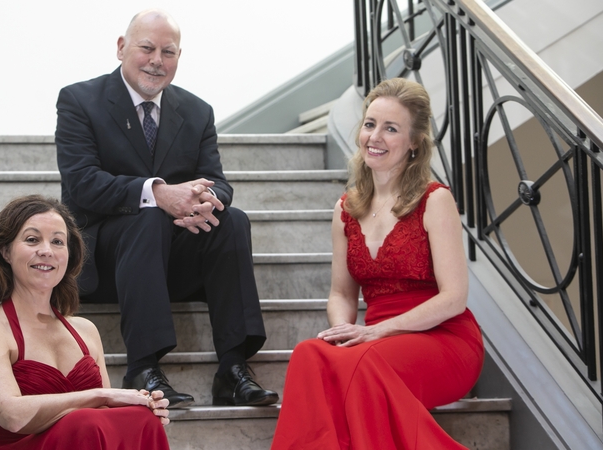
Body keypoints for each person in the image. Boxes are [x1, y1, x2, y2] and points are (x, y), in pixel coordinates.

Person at [54, 9, 278, 409]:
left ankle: (233, 367)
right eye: (147, 48)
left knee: (232, 220)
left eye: (168, 52)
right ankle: (143, 367)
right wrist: (158, 193)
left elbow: (219, 182)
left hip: (168, 259)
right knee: (149, 217)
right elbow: (81, 183)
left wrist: (203, 199)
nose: (157, 60)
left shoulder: (197, 111)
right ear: (121, 48)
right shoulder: (79, 100)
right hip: (106, 259)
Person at [271, 78, 485, 449]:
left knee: (363, 365)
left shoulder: (434, 200)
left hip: (443, 339)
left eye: (391, 128)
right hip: (374, 342)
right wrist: (343, 331)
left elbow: (454, 299)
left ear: (414, 141)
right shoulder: (346, 209)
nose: (375, 137)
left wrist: (378, 332)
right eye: (370, 124)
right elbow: (341, 293)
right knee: (310, 354)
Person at [0, 195, 170, 450]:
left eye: (58, 241)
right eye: (32, 239)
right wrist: (101, 395)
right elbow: (12, 416)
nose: (47, 251)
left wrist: (139, 403)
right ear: (5, 251)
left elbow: (102, 416)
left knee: (143, 419)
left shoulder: (86, 331)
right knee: (84, 422)